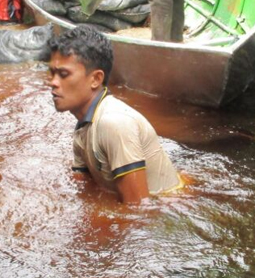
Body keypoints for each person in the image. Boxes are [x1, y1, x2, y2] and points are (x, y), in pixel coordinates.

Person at [47, 26, 182, 203]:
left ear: (95, 79)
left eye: (63, 74)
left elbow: (138, 212)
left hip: (166, 211)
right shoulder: (83, 126)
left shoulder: (114, 123)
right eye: (52, 73)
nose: (53, 83)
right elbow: (83, 189)